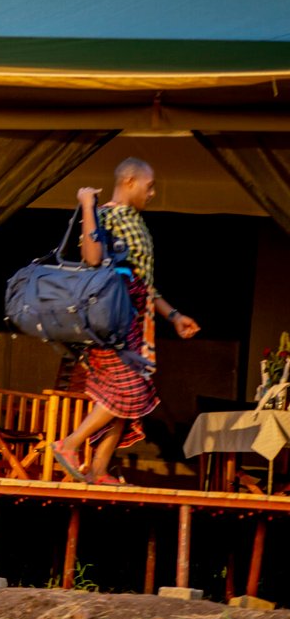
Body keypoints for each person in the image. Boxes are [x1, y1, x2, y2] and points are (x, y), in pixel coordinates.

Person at [53, 158, 199, 485]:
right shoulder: (105, 214)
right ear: (130, 181)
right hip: (110, 322)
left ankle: (98, 469)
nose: (153, 192)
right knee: (128, 391)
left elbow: (144, 284)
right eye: (149, 186)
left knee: (125, 401)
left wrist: (173, 315)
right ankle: (70, 444)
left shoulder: (136, 223)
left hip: (135, 324)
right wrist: (87, 205)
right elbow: (91, 259)